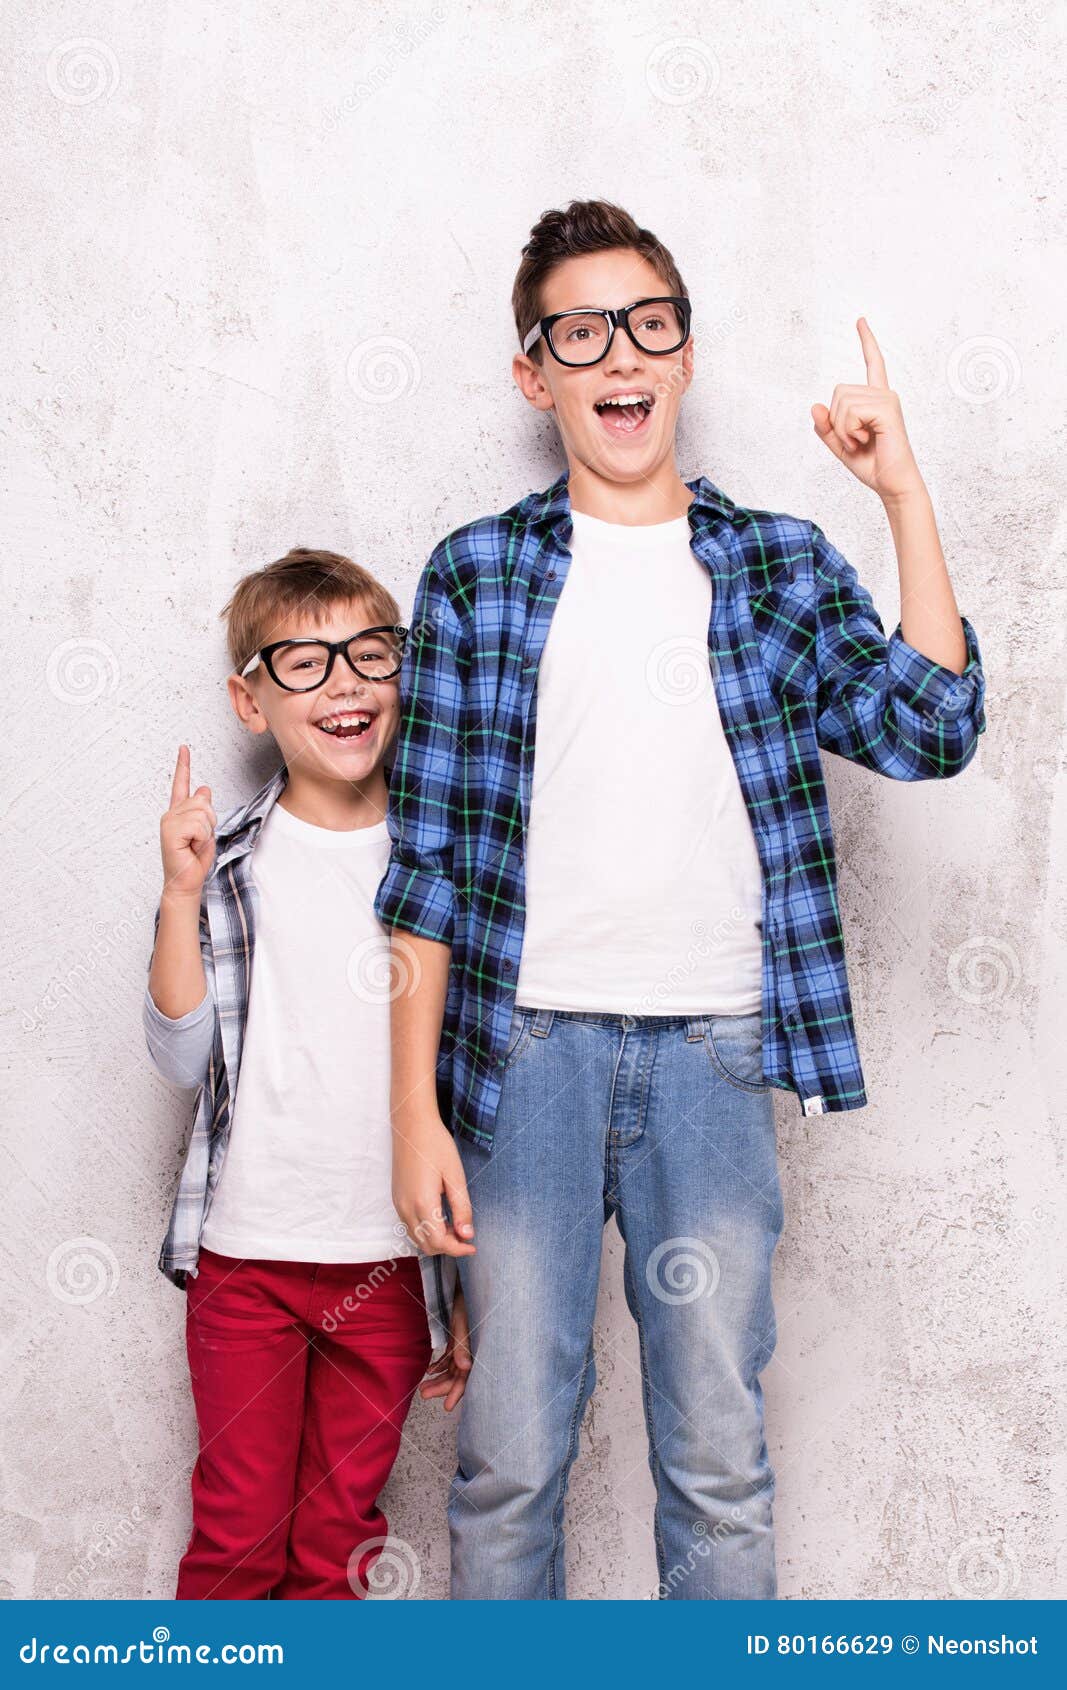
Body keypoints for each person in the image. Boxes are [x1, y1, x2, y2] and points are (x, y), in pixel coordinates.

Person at [374, 199, 988, 1600]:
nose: (619, 352)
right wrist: (412, 1111)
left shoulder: (773, 563)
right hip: (520, 1054)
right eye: (580, 331)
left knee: (716, 1461)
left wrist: (900, 492)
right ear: (532, 373)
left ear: (684, 354)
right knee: (508, 1455)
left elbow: (931, 727)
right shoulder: (475, 573)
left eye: (646, 323)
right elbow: (426, 866)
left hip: (714, 1052)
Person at [143, 546, 469, 1600]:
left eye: (369, 653)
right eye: (304, 662)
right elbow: (179, 1058)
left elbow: (471, 1086)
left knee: (340, 1546)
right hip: (248, 1265)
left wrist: (465, 1285)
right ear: (250, 700)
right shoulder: (230, 865)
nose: (343, 682)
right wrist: (179, 897)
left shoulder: (444, 867)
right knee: (237, 1538)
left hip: (389, 1268)